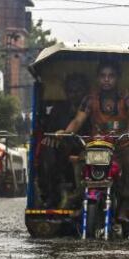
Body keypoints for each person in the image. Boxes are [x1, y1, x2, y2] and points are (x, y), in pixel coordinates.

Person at [60, 59, 129, 222]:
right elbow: (78, 120)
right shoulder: (90, 99)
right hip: (97, 147)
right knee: (80, 161)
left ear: (118, 78)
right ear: (97, 78)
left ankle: (124, 205)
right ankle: (82, 200)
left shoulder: (126, 97)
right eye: (103, 76)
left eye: (111, 76)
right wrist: (66, 132)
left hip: (122, 147)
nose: (107, 79)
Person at [38, 73, 90, 208]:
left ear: (85, 90)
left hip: (88, 148)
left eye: (78, 90)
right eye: (71, 91)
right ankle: (52, 195)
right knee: (47, 150)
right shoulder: (58, 110)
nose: (75, 94)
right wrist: (54, 138)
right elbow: (50, 132)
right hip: (63, 149)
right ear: (66, 92)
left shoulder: (91, 107)